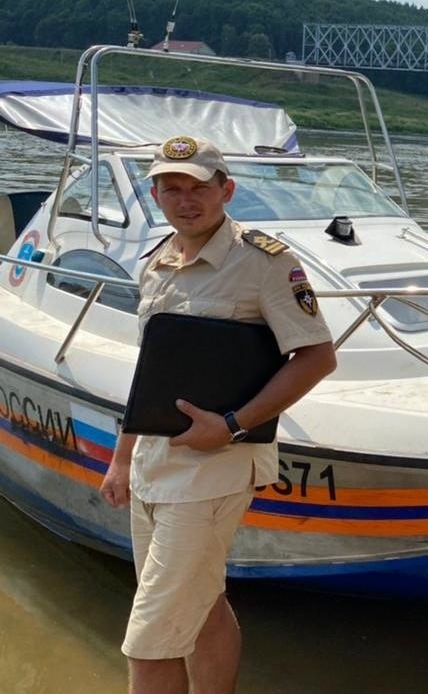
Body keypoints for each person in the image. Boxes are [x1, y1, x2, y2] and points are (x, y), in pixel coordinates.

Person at [98, 135, 337, 694]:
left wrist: (232, 425)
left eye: (199, 188)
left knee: (150, 636)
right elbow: (151, 375)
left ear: (226, 190)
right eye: (171, 188)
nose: (186, 200)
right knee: (199, 605)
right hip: (155, 463)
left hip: (215, 469)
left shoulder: (263, 263)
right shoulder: (155, 263)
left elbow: (317, 357)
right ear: (155, 195)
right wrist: (122, 459)